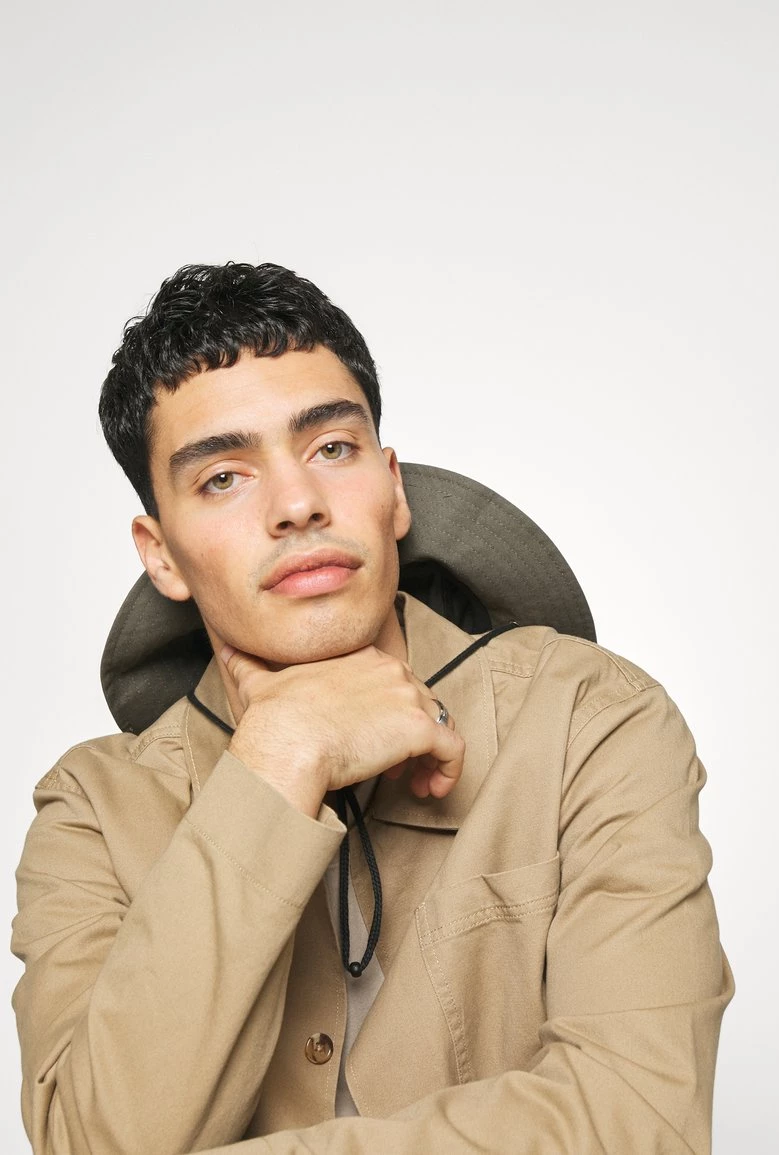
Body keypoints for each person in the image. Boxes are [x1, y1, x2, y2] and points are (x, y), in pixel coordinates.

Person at [11, 262, 733, 1155]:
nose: (298, 504)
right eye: (224, 477)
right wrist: (282, 754)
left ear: (393, 487)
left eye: (332, 448)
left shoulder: (591, 720)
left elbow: (641, 1122)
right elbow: (91, 1140)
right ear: (160, 555)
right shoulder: (90, 809)